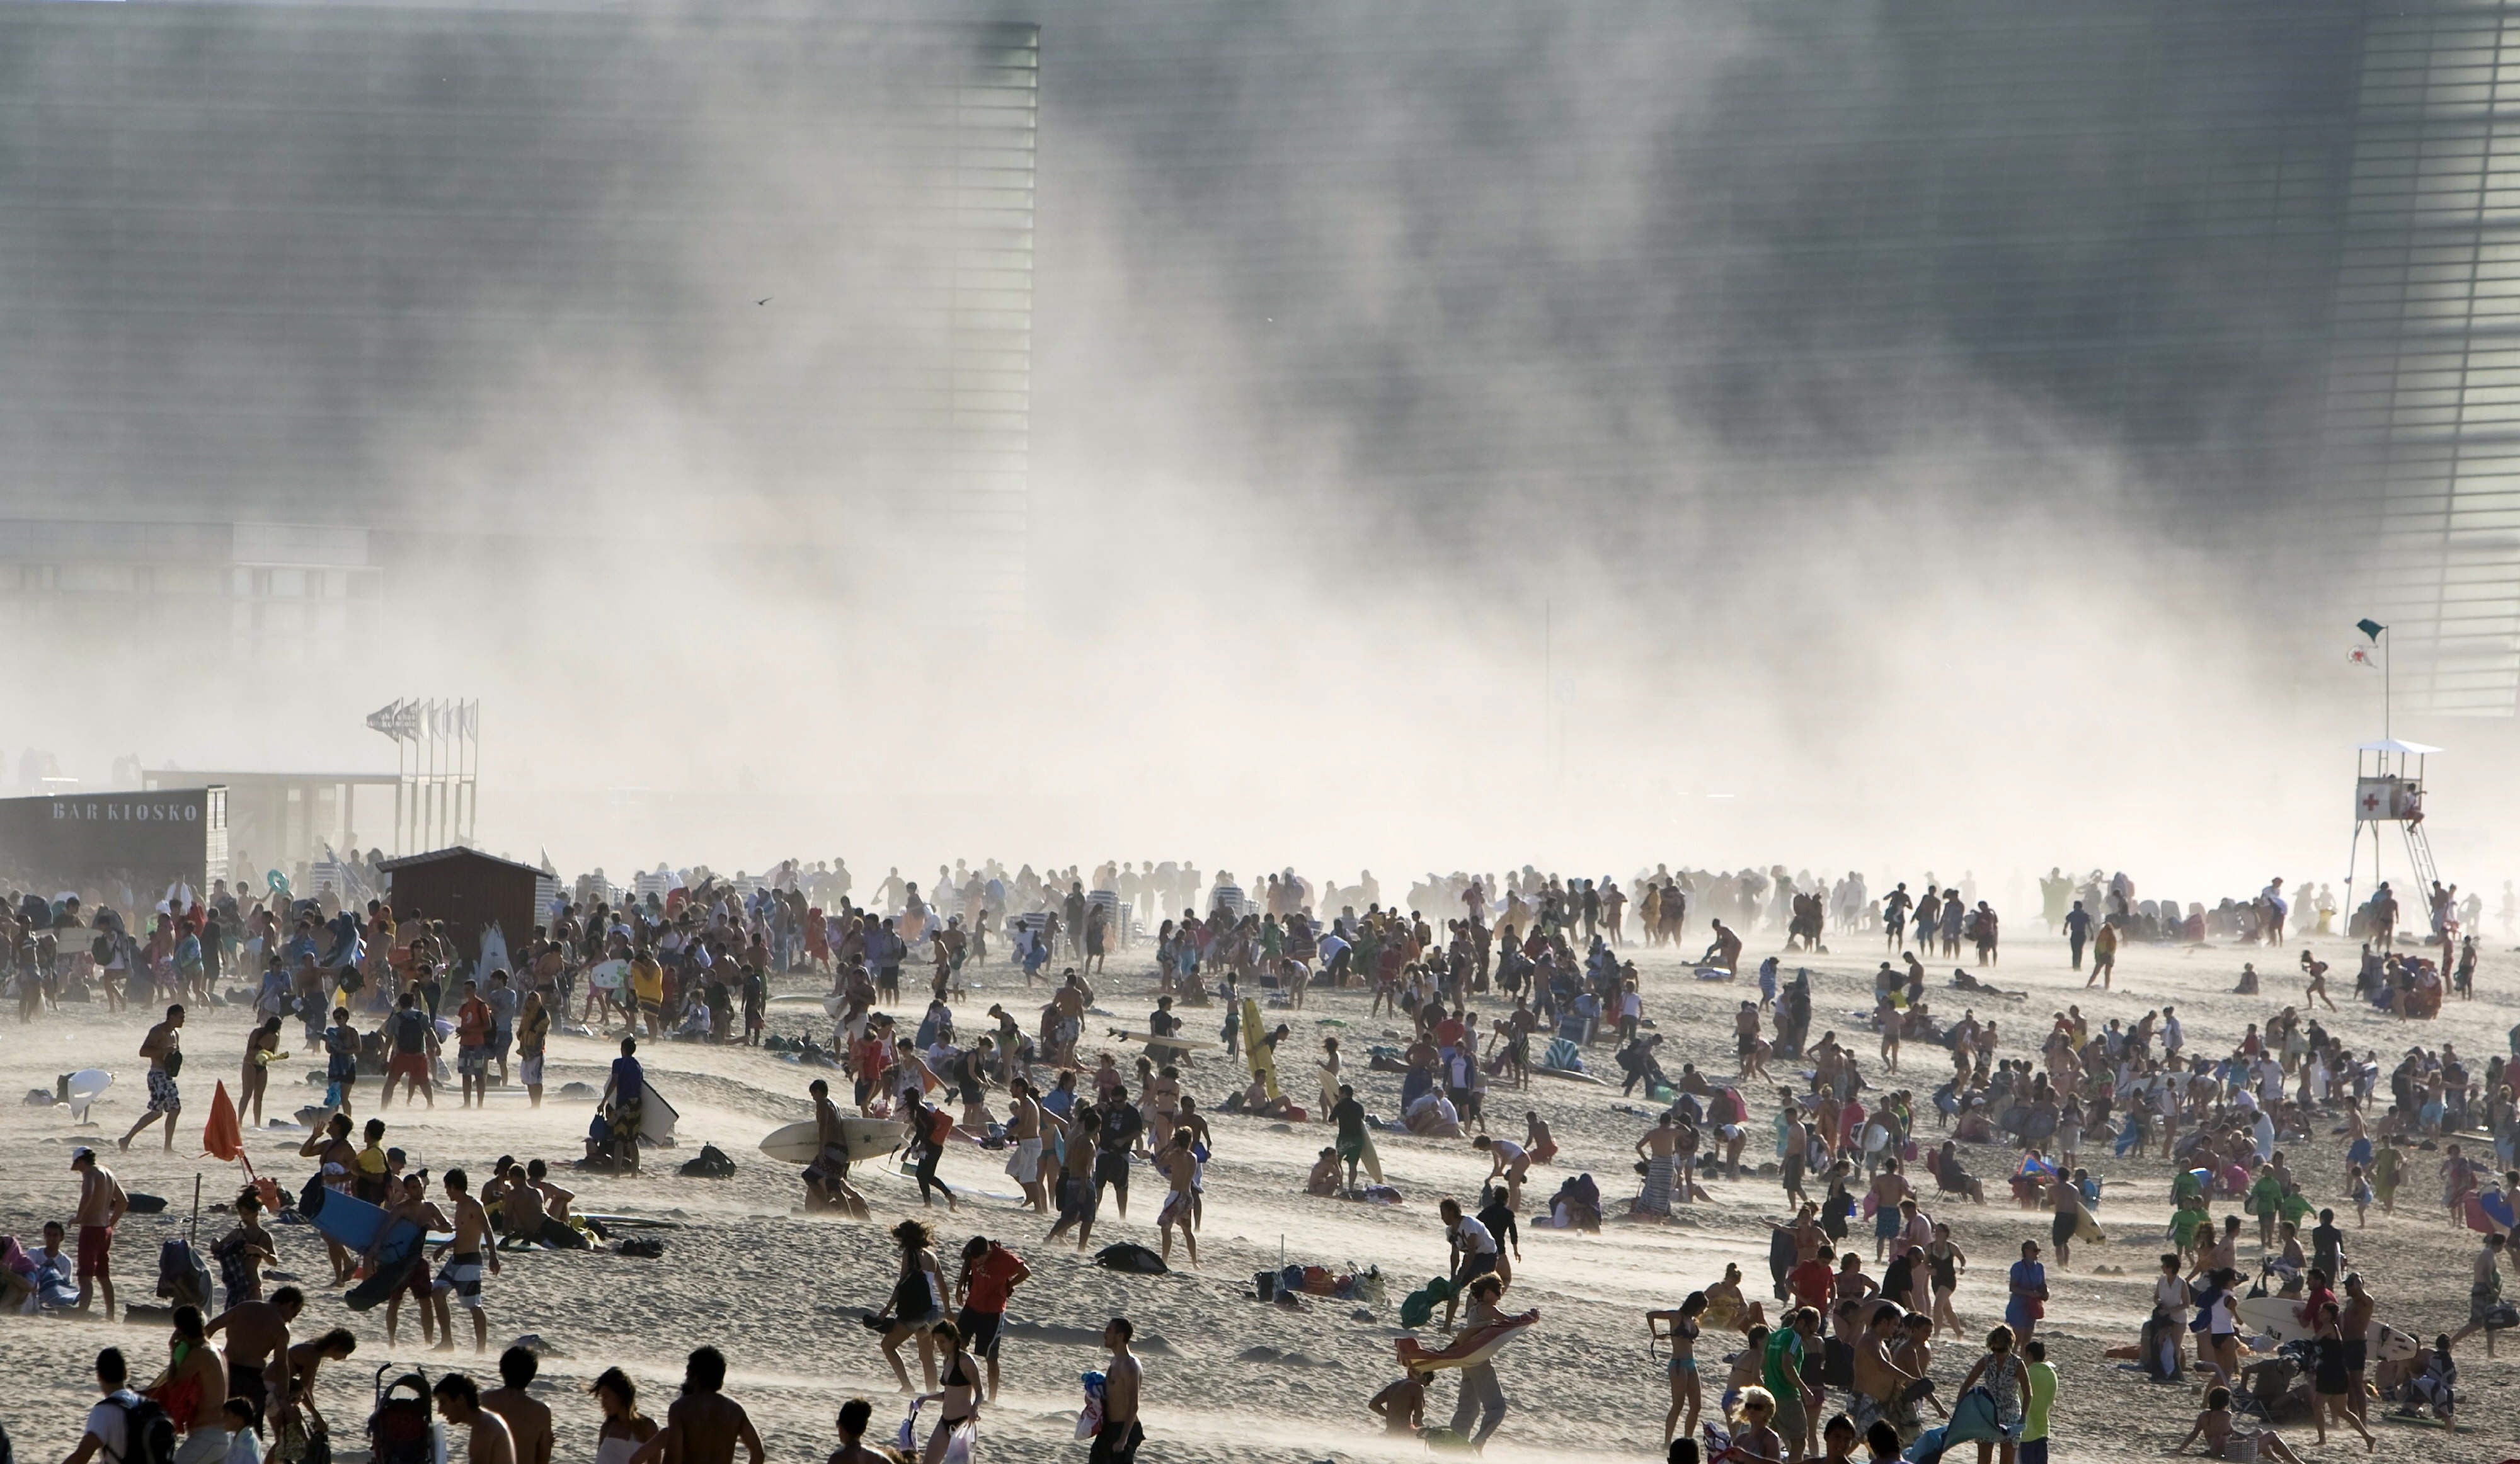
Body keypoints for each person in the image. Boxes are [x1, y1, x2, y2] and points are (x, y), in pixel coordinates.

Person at [625, 1347, 764, 1464]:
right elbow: (758, 1453)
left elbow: (673, 1458)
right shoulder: (735, 1410)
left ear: (694, 1376)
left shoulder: (681, 1408)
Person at [204, 1285, 304, 1433]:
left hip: (225, 1370)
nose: (291, 1320)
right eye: (294, 1314)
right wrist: (283, 1397)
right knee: (249, 1428)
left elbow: (211, 1327)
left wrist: (204, 1355)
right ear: (289, 1304)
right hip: (252, 1379)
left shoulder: (244, 1307)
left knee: (218, 1419)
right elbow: (280, 1365)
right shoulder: (281, 1328)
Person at [954, 1235, 1029, 1402]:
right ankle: (960, 1387)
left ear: (987, 1253)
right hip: (972, 1306)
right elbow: (967, 1264)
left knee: (991, 1357)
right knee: (957, 1344)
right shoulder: (973, 1253)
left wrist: (1009, 1285)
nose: (976, 1262)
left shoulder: (1004, 1258)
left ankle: (992, 1399)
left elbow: (1026, 1272)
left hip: (993, 1311)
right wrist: (960, 1286)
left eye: (979, 1258)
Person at [432, 1169, 500, 1353]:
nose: (446, 1192)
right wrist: (444, 1247)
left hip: (470, 1261)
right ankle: (447, 1342)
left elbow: (487, 1230)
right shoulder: (459, 1207)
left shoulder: (474, 1206)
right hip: (455, 1260)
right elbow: (462, 1234)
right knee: (437, 1292)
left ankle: (481, 1349)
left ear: (454, 1187)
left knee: (474, 1306)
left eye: (447, 1188)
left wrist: (494, 1257)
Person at [877, 1219, 947, 1393]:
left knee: (888, 1345)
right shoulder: (932, 1257)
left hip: (914, 1311)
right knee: (927, 1356)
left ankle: (907, 1385)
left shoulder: (910, 1254)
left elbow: (902, 1284)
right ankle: (932, 1392)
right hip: (932, 1310)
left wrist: (886, 1309)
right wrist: (948, 1310)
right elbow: (942, 1286)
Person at [161, 1304, 231, 1464]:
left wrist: (173, 1352)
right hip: (221, 1435)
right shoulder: (218, 1350)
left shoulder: (199, 1354)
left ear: (180, 1331)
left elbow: (173, 1386)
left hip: (207, 1436)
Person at [2168, 1385, 2308, 1463]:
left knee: (2259, 1432)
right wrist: (2249, 1437)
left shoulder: (2204, 1416)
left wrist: (2180, 1450)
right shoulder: (2226, 1415)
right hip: (2233, 1453)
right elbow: (2231, 1437)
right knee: (2272, 1435)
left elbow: (2193, 1435)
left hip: (2219, 1451)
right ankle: (2297, 1463)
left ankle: (2278, 1461)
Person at [1954, 1325, 2029, 1464]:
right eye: (1993, 1349)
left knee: (2007, 1459)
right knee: (1983, 1458)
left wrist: (2023, 1417)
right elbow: (1966, 1385)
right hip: (1989, 1412)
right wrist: (1959, 1408)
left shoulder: (2017, 1364)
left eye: (2000, 1350)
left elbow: (2028, 1393)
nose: (1996, 1353)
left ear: (2009, 1346)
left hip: (2010, 1412)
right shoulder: (1986, 1361)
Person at [118, 1004, 186, 1152]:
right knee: (160, 1112)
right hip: (157, 1075)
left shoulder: (175, 1033)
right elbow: (143, 1052)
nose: (183, 1020)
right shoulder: (158, 1031)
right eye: (181, 1017)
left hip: (167, 1076)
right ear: (172, 1017)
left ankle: (166, 1147)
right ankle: (127, 1139)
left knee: (171, 1110)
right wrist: (163, 1051)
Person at [60, 1347, 144, 1464]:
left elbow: (81, 1457)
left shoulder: (104, 1411)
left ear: (98, 1376)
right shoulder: (143, 1404)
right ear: (125, 1374)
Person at [71, 1146, 127, 1318]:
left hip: (91, 1229)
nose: (77, 1169)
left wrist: (79, 1217)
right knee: (103, 1276)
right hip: (105, 1230)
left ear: (81, 1161)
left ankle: (82, 1313)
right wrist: (112, 1223)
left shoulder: (89, 1173)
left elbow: (88, 1194)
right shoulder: (107, 1172)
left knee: (85, 1276)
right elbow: (123, 1201)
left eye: (76, 1164)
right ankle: (110, 1315)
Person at [1647, 1291, 1709, 1445]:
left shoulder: (1692, 1320)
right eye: (1701, 1308)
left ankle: (1688, 1440)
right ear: (1694, 1305)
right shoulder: (1676, 1316)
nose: (1702, 1312)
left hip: (1691, 1364)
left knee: (1696, 1406)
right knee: (1678, 1405)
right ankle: (1667, 1442)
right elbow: (1651, 1315)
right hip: (1678, 1364)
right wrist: (1656, 1335)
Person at [481, 1347, 556, 1464]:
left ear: (501, 1370)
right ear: (532, 1376)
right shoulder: (541, 1411)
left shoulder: (485, 1400)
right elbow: (543, 1458)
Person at [1438, 1197, 1499, 1330]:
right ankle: (1447, 1327)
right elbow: (1455, 1254)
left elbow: (1472, 1251)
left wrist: (1463, 1274)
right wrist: (1454, 1274)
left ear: (1452, 1212)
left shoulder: (1468, 1223)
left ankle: (1484, 1324)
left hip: (1487, 1256)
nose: (1442, 1217)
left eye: (1444, 1214)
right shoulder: (1450, 1231)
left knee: (1481, 1290)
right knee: (1455, 1288)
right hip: (1472, 1258)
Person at [1091, 1317, 1143, 1464]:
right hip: (1108, 1428)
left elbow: (1134, 1405)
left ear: (1120, 1336)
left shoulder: (1130, 1366)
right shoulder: (1115, 1362)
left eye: (1109, 1331)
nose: (1105, 1334)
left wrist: (1123, 1440)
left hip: (1124, 1428)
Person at [432, 1376, 518, 1464]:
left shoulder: (484, 1426)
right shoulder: (487, 1420)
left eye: (443, 1402)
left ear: (460, 1400)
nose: (439, 1411)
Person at [382, 992, 438, 1109]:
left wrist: (384, 1055)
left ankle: (384, 1108)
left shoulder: (396, 1018)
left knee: (391, 1083)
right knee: (424, 1082)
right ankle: (430, 1104)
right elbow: (430, 1032)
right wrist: (437, 1045)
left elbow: (389, 1039)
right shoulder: (422, 1016)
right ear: (414, 1003)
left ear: (400, 1004)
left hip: (401, 1055)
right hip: (418, 1055)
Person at [592, 1368, 660, 1464]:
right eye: (601, 1398)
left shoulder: (647, 1427)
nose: (603, 1404)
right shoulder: (607, 1428)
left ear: (620, 1394)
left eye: (606, 1396)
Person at [1155, 1126, 1200, 1268]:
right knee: (1187, 1231)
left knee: (1165, 1227)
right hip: (1187, 1196)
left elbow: (1159, 1163)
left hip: (1176, 1196)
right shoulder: (1194, 1157)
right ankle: (1195, 1262)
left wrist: (1169, 1147)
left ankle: (1164, 1259)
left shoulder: (1174, 1155)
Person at [2018, 1338, 2055, 1464]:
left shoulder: (2027, 1373)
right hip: (2043, 1428)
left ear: (2030, 1355)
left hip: (2027, 1432)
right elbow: (2050, 1400)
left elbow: (2020, 1398)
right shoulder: (2052, 1374)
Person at [2003, 1240, 2048, 1343]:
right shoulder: (2018, 1267)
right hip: (2018, 1305)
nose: (2037, 1253)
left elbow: (2043, 1285)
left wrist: (2046, 1293)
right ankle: (2012, 1359)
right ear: (2026, 1251)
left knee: (2027, 1341)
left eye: (2038, 1250)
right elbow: (2013, 1288)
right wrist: (2029, 1293)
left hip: (2032, 1307)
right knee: (2017, 1340)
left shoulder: (2040, 1267)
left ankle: (2023, 1359)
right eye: (2035, 1250)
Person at [1367, 1367, 1428, 1436]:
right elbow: (1419, 1415)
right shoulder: (1417, 1387)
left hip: (1390, 1429)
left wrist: (1389, 1415)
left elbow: (1373, 1404)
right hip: (1404, 1431)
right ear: (1422, 1376)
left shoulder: (1394, 1385)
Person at [824, 1398, 887, 1464]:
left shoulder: (838, 1458)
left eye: (838, 1424)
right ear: (863, 1429)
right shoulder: (879, 1457)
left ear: (842, 1428)